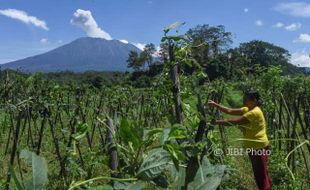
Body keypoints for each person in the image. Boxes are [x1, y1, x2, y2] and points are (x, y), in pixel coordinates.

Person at [208, 90, 271, 190]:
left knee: (260, 175)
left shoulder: (254, 112)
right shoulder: (248, 109)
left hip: (258, 147)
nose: (244, 101)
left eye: (246, 99)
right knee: (261, 173)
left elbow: (234, 122)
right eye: (244, 98)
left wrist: (216, 122)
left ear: (254, 100)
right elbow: (229, 111)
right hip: (255, 147)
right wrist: (216, 105)